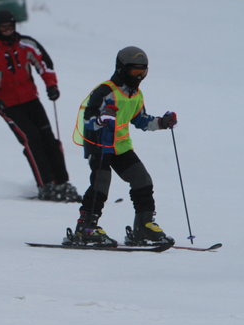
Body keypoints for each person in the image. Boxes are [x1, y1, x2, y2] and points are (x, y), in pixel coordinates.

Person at [70, 46, 177, 246]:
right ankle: (86, 227)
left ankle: (143, 225)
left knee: (142, 179)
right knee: (101, 181)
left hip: (120, 145)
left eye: (143, 71)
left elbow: (141, 120)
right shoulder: (105, 92)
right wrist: (103, 119)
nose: (139, 76)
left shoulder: (136, 95)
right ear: (121, 69)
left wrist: (163, 122)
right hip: (99, 144)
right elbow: (89, 120)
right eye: (135, 71)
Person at [0, 10, 80, 202]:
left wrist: (51, 86)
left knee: (49, 139)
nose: (7, 31)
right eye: (3, 28)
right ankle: (45, 186)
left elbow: (45, 64)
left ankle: (62, 183)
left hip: (31, 99)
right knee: (32, 139)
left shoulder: (26, 44)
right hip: (8, 105)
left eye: (10, 27)